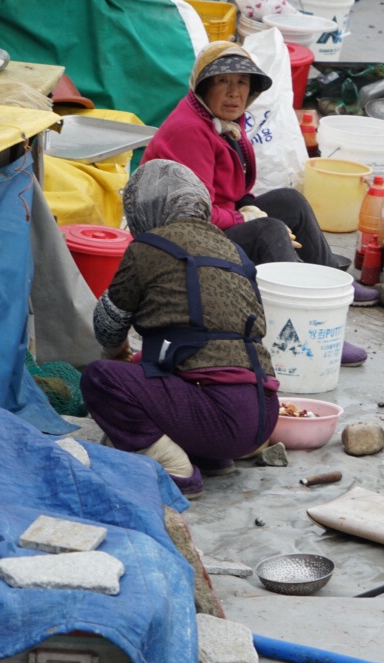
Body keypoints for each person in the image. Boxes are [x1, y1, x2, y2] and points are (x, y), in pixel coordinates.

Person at [144, 41, 378, 354]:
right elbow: (193, 214)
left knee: (288, 201)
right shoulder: (190, 129)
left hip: (215, 220)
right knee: (269, 230)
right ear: (203, 86)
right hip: (183, 242)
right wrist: (245, 218)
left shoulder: (223, 120)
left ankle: (327, 276)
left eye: (242, 82)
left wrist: (246, 204)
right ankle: (305, 325)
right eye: (223, 81)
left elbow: (230, 188)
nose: (234, 92)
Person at [79, 161, 279, 499]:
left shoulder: (148, 247)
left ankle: (177, 470)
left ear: (143, 210)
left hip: (219, 413)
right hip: (262, 414)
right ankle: (212, 457)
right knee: (155, 363)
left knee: (102, 377)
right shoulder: (233, 250)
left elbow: (107, 324)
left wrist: (115, 354)